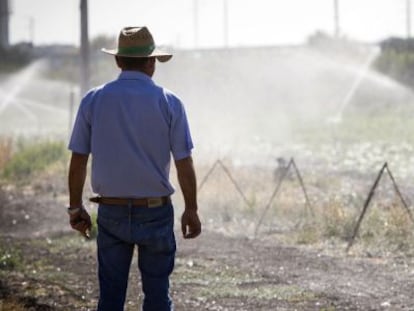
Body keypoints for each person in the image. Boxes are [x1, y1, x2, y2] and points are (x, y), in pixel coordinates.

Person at [67, 26, 201, 311]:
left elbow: (78, 159)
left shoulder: (94, 99)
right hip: (155, 212)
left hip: (111, 212)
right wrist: (191, 209)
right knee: (157, 298)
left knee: (111, 298)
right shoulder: (170, 102)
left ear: (118, 61)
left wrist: (75, 207)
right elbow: (183, 162)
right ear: (152, 62)